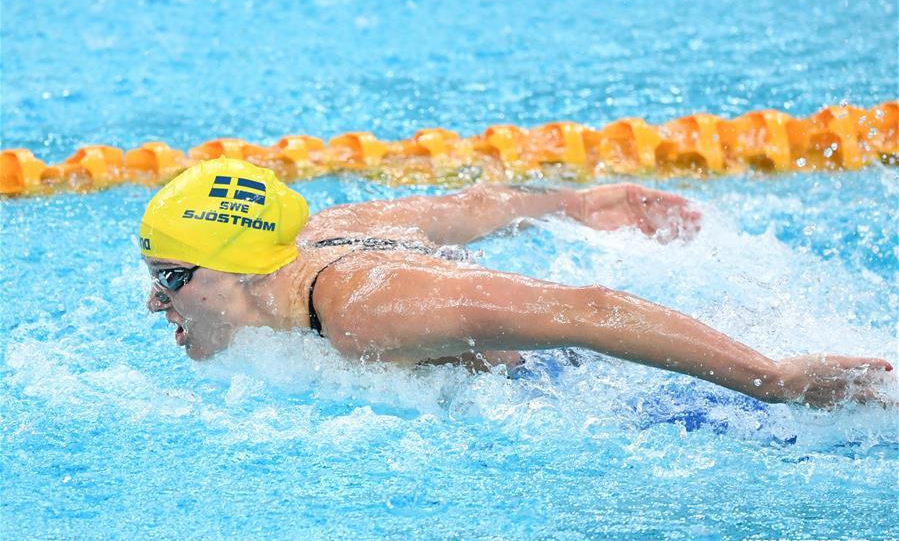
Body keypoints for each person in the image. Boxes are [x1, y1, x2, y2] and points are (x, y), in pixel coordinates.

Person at [141, 157, 892, 409]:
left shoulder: (364, 312)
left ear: (235, 267)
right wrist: (579, 205)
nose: (154, 302)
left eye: (168, 278)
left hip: (634, 387)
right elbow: (470, 207)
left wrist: (771, 377)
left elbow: (584, 311)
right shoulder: (323, 228)